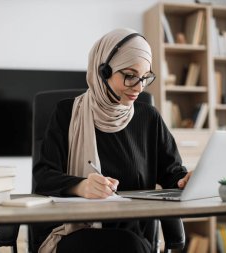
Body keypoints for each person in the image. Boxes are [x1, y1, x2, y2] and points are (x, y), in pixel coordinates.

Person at [32, 28, 191, 253]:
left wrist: (185, 181)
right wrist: (81, 186)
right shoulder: (66, 113)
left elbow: (171, 174)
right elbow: (44, 177)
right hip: (72, 232)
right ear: (103, 71)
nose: (139, 87)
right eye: (129, 75)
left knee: (129, 245)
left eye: (145, 77)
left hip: (134, 235)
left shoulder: (149, 118)